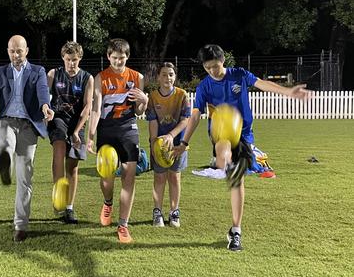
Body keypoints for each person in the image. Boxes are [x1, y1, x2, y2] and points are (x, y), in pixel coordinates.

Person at [177, 44, 312, 251]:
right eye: (208, 67)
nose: (213, 70)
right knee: (224, 153)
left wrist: (288, 91)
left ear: (223, 61)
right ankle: (225, 162)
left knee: (236, 180)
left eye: (216, 65)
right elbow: (195, 116)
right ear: (204, 67)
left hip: (244, 133)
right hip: (220, 132)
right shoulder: (204, 86)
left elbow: (262, 84)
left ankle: (236, 230)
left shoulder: (238, 74)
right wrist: (184, 143)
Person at [0, 35, 54, 242]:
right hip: (5, 121)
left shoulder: (37, 72)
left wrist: (45, 107)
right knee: (6, 144)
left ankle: (20, 225)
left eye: (19, 51)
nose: (16, 55)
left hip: (28, 125)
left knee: (25, 177)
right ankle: (4, 162)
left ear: (26, 51)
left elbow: (43, 92)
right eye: (12, 51)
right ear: (7, 51)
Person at [87, 38, 148, 243]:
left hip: (128, 128)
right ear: (108, 57)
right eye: (114, 58)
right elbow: (96, 109)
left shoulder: (137, 77)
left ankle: (123, 225)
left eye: (122, 58)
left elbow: (139, 111)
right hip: (106, 130)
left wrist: (144, 101)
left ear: (127, 57)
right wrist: (90, 135)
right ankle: (107, 203)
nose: (118, 62)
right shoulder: (100, 78)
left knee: (128, 177)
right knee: (107, 178)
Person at [46, 41, 93, 224]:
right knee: (58, 150)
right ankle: (58, 197)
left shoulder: (87, 78)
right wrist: (46, 110)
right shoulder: (53, 74)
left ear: (79, 58)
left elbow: (87, 107)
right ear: (63, 58)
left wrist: (77, 131)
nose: (71, 63)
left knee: (72, 167)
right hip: (58, 120)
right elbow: (44, 96)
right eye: (68, 59)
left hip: (77, 123)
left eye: (75, 60)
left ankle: (69, 208)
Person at [145, 63, 190, 228]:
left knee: (174, 177)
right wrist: (154, 143)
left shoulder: (182, 95)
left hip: (178, 144)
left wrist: (171, 136)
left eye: (170, 74)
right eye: (164, 74)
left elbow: (186, 120)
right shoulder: (153, 97)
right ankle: (157, 212)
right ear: (158, 77)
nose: (167, 78)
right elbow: (152, 121)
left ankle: (174, 212)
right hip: (159, 145)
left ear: (175, 77)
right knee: (159, 177)